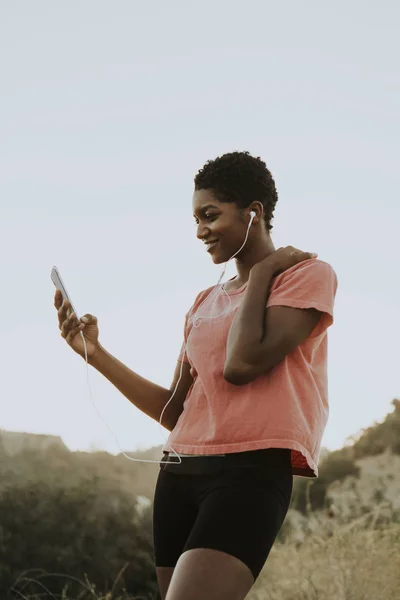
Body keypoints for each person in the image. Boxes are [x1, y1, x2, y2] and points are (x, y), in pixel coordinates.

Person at [54, 150, 338, 600]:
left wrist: (261, 272)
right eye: (195, 220)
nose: (201, 230)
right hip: (178, 472)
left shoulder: (305, 276)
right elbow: (175, 411)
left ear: (254, 212)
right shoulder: (203, 302)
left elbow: (242, 364)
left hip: (250, 472)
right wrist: (95, 354)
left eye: (210, 215)